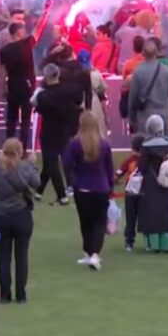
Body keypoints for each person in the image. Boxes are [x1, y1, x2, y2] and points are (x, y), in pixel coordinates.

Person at [0, 138, 40, 302]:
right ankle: (21, 295)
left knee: (4, 256)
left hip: (1, 217)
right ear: (20, 151)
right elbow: (37, 183)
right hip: (21, 215)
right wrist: (33, 165)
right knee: (21, 256)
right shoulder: (25, 168)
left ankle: (5, 295)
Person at [64, 112, 114, 271]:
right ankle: (95, 254)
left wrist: (73, 179)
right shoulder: (104, 144)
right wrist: (111, 187)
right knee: (99, 222)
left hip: (82, 188)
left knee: (85, 222)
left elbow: (66, 163)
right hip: (101, 188)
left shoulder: (75, 144)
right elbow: (109, 169)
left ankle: (88, 252)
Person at [32, 64, 81, 205]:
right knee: (50, 162)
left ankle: (62, 195)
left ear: (46, 77)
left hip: (49, 131)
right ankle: (39, 191)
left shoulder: (44, 95)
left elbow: (36, 107)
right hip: (65, 129)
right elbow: (78, 100)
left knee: (51, 162)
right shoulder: (69, 90)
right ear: (58, 74)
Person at [138, 115, 168, 253]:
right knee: (166, 212)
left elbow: (142, 167)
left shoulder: (145, 146)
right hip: (166, 183)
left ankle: (153, 244)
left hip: (150, 184)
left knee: (151, 212)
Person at [0, 22, 36, 151]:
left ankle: (9, 147)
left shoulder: (4, 50)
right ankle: (23, 148)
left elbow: (2, 71)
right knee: (25, 119)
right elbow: (38, 30)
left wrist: (3, 86)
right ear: (18, 32)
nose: (25, 32)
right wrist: (46, 13)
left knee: (11, 118)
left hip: (12, 85)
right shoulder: (26, 45)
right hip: (26, 84)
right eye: (23, 30)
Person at [127, 39, 168, 135]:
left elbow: (132, 98)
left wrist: (132, 118)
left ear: (143, 53)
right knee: (163, 142)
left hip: (144, 117)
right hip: (163, 116)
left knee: (145, 142)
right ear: (157, 52)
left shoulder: (138, 72)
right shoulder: (166, 71)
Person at [117, 134, 145, 251]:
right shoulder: (147, 160)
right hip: (144, 193)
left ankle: (129, 242)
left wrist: (116, 180)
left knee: (130, 218)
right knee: (146, 217)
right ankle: (149, 241)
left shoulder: (129, 161)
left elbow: (118, 174)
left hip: (130, 193)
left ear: (132, 147)